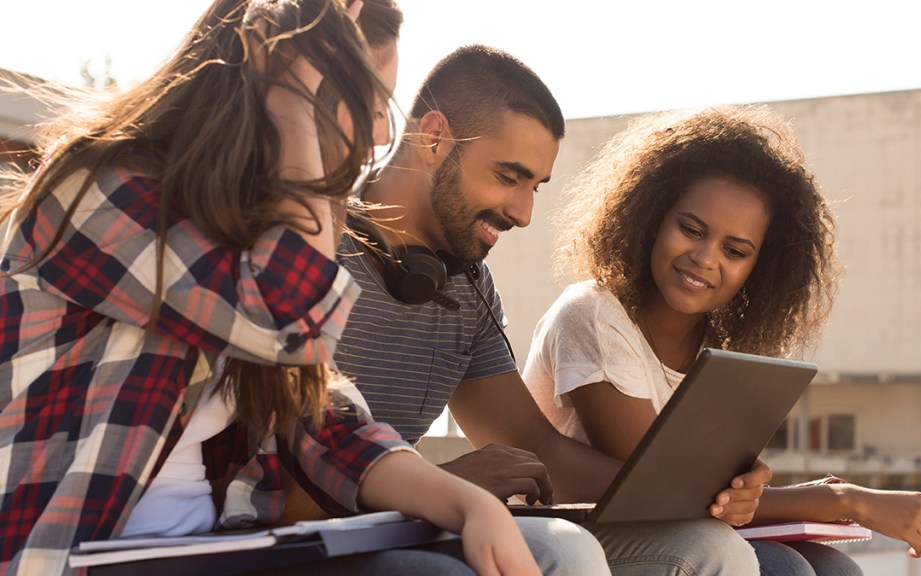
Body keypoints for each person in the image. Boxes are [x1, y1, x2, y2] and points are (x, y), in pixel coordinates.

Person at [0, 1, 544, 575]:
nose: (384, 132)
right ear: (276, 90)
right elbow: (289, 320)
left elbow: (325, 422)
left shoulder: (261, 237)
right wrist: (292, 111)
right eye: (369, 100)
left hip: (220, 551)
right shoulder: (96, 190)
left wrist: (470, 505)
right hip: (74, 558)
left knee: (555, 548)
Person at [334, 44, 765, 575]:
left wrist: (707, 493)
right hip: (313, 533)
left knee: (708, 549)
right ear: (433, 136)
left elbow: (539, 447)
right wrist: (445, 484)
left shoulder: (468, 287)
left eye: (535, 187)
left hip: (410, 519)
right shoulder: (314, 251)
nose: (523, 212)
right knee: (564, 551)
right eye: (509, 176)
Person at [522, 106, 921, 575]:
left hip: (674, 529)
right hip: (572, 537)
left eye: (735, 251)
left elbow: (716, 495)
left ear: (759, 267)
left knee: (832, 569)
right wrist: (840, 498)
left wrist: (749, 489)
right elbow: (663, 491)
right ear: (652, 218)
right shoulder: (593, 313)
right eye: (691, 229)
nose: (705, 258)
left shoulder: (722, 351)